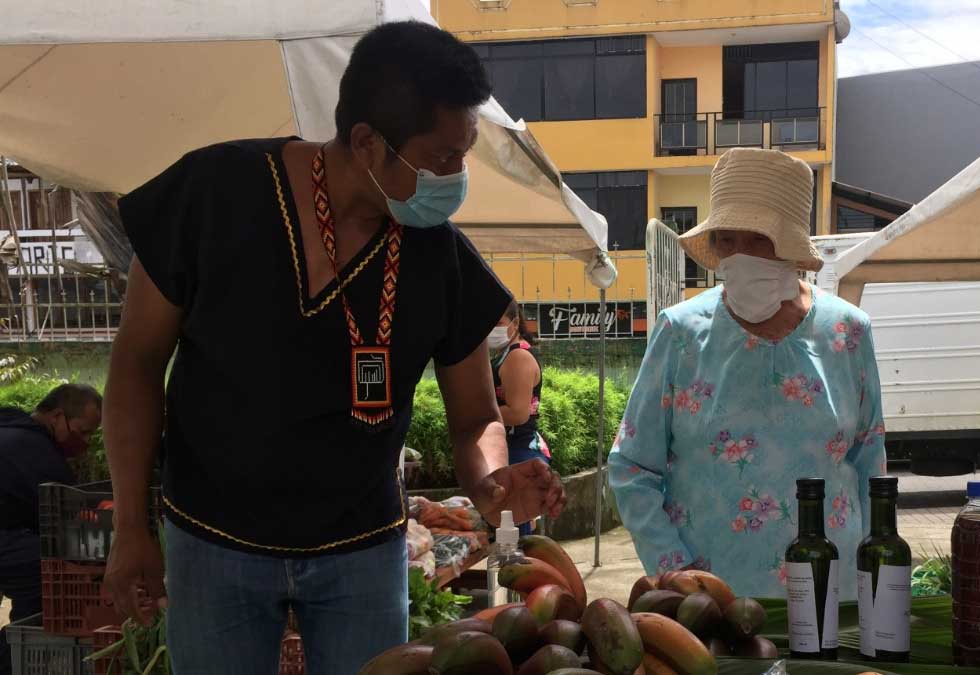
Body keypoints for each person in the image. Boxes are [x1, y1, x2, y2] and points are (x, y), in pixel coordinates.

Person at [102, 21, 566, 675]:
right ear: (367, 143)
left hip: (363, 553)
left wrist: (493, 479)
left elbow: (476, 416)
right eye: (440, 160)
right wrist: (129, 525)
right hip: (214, 542)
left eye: (464, 154)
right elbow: (136, 363)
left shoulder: (435, 254)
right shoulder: (212, 194)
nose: (456, 177)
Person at [609, 148, 886, 598]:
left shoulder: (848, 332)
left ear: (792, 247)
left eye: (758, 239)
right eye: (726, 239)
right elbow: (631, 466)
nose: (739, 255)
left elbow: (870, 463)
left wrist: (876, 580)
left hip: (832, 599)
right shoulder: (680, 333)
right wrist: (676, 573)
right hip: (710, 608)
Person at [0, 384, 102, 675]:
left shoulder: (10, 425)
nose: (85, 443)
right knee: (50, 569)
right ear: (57, 417)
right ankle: (16, 654)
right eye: (83, 432)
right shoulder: (40, 455)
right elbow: (72, 526)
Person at [489, 301, 550, 535]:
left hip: (519, 451)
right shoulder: (503, 356)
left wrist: (477, 414)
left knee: (516, 538)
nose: (491, 330)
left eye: (498, 324)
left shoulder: (517, 359)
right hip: (510, 450)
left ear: (514, 324)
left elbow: (518, 412)